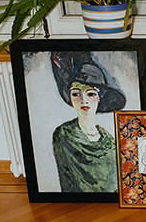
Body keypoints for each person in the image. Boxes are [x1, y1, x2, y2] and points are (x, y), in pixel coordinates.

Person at [50, 53, 125, 192]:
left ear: (100, 97)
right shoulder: (63, 134)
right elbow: (67, 182)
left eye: (90, 94)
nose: (83, 100)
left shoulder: (109, 142)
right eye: (76, 94)